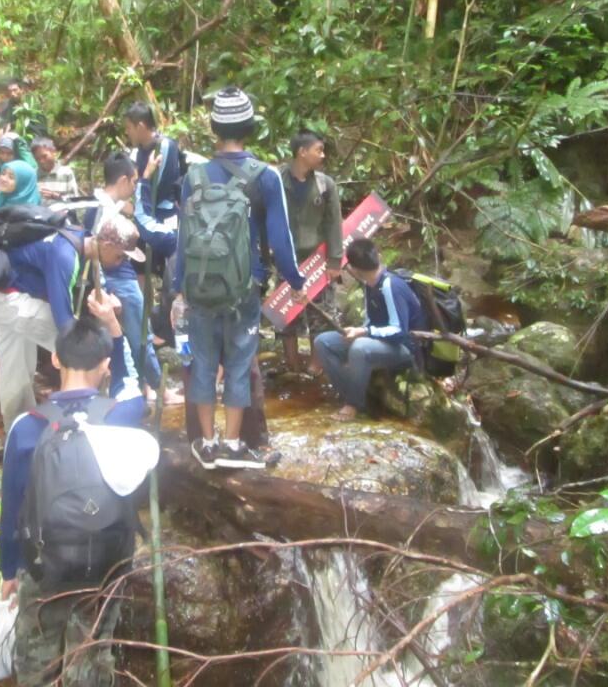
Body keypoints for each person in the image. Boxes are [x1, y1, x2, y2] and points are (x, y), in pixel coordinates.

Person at [0, 291, 146, 687]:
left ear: (56, 359)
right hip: (104, 567)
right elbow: (137, 380)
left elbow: (12, 505)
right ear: (104, 366)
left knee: (37, 662)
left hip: (45, 570)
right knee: (91, 659)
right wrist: (115, 328)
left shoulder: (27, 426)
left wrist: (8, 570)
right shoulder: (123, 414)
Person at [173, 86, 307, 470]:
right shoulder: (264, 176)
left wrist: (179, 288)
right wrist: (296, 283)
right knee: (237, 363)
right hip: (244, 290)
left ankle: (206, 443)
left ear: (214, 128)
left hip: (198, 287)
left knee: (201, 361)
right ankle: (233, 444)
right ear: (250, 127)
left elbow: (183, 239)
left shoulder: (194, 175)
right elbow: (281, 242)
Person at [0, 216, 130, 428]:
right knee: (84, 352)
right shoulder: (65, 257)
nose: (121, 261)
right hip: (10, 297)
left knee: (16, 365)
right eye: (120, 255)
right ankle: (93, 419)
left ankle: (17, 428)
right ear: (106, 244)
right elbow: (64, 324)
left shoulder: (79, 236)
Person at [85, 165, 176, 402]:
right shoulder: (101, 211)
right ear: (123, 180)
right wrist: (103, 288)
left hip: (117, 276)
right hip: (117, 278)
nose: (135, 186)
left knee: (131, 335)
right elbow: (97, 256)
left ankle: (145, 385)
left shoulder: (104, 207)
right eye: (134, 182)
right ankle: (159, 389)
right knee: (139, 336)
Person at [313, 239, 426, 421]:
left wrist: (364, 333)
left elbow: (399, 331)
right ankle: (351, 393)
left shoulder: (390, 285)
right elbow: (371, 320)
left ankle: (353, 405)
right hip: (380, 341)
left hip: (406, 349)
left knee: (360, 347)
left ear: (355, 269)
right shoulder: (369, 284)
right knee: (323, 342)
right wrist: (358, 330)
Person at [277, 130, 344, 374]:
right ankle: (292, 365)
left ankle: (316, 365)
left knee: (322, 314)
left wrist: (334, 260)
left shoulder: (325, 185)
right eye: (319, 150)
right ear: (302, 152)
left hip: (317, 259)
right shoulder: (276, 180)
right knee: (286, 314)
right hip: (286, 258)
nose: (322, 155)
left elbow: (334, 223)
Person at [124, 101, 185, 345]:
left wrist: (144, 184)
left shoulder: (165, 146)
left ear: (140, 126)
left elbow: (159, 186)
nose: (127, 133)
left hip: (165, 217)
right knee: (137, 264)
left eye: (129, 128)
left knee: (170, 271)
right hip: (143, 213)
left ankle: (166, 326)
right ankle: (143, 318)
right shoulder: (135, 153)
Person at [0, 134, 40, 210]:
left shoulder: (21, 169)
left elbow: (32, 167)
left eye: (9, 153)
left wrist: (19, 141)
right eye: (2, 152)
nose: (5, 157)